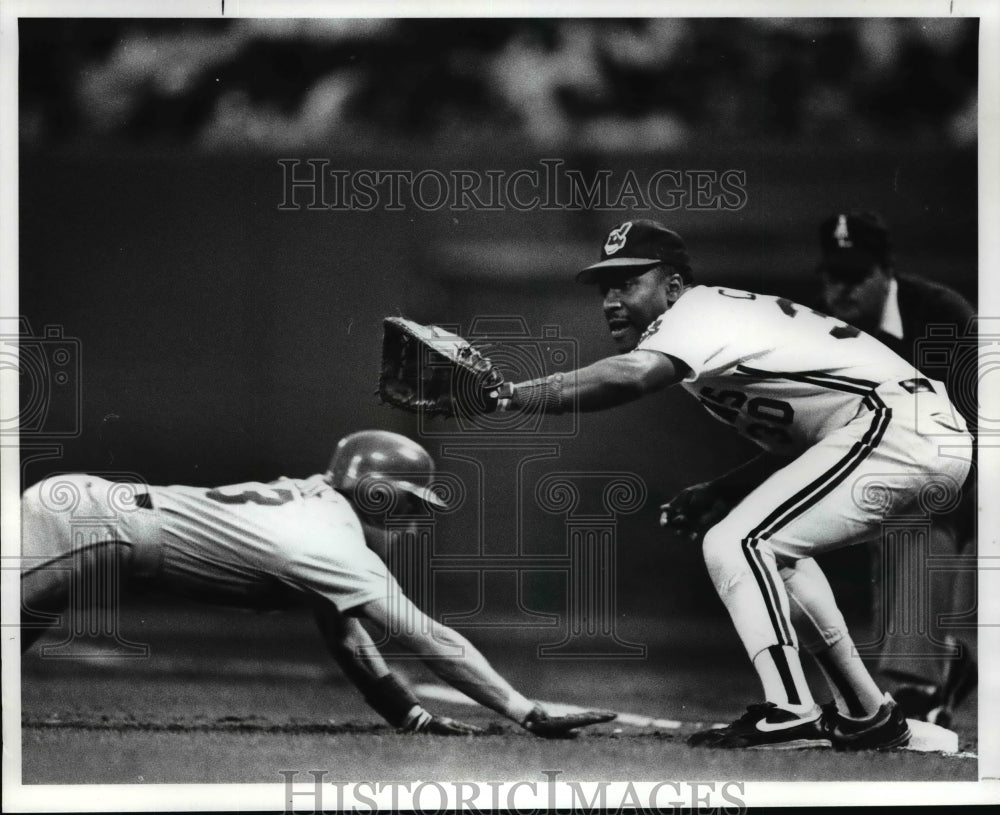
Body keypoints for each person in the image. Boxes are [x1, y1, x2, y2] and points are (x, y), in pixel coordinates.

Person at [482, 218, 973, 750]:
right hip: (908, 434)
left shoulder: (696, 312)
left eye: (628, 282)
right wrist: (722, 489)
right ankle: (868, 715)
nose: (611, 299)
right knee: (779, 556)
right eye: (606, 287)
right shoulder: (710, 322)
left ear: (673, 285)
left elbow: (629, 376)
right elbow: (807, 444)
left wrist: (503, 393)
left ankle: (791, 709)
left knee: (739, 542)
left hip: (899, 426)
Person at [20, 429, 613, 739]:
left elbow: (344, 634)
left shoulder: (317, 502)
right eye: (410, 502)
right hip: (93, 526)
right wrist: (524, 710)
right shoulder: (332, 539)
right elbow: (429, 638)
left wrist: (409, 713)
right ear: (378, 491)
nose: (413, 517)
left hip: (88, 512)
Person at [814, 211, 977, 727]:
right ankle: (927, 680)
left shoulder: (939, 314)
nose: (843, 290)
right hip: (920, 467)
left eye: (857, 275)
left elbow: (976, 424)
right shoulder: (828, 339)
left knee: (928, 512)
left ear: (886, 270)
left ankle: (932, 674)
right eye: (833, 277)